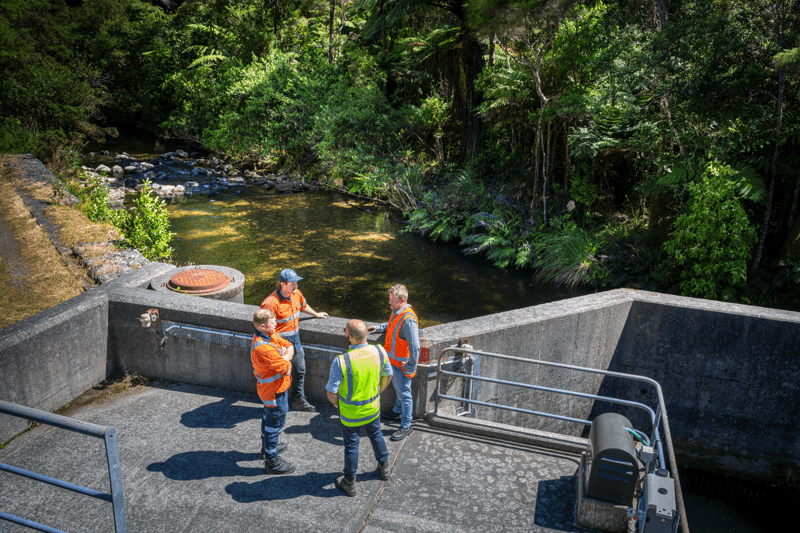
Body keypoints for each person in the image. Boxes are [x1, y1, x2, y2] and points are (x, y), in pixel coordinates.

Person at [326, 319, 393, 496]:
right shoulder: (380, 351)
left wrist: (337, 405)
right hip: (372, 408)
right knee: (376, 434)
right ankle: (384, 468)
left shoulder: (341, 361)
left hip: (350, 413)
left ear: (349, 335)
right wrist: (378, 392)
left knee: (351, 445)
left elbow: (331, 393)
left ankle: (350, 482)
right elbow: (388, 375)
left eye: (345, 331)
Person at [261, 268, 328, 412]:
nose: (296, 287)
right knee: (279, 375)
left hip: (295, 343)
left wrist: (315, 314)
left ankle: (298, 399)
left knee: (300, 370)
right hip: (279, 347)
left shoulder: (296, 294)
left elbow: (303, 306)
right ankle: (276, 404)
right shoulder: (271, 303)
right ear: (282, 284)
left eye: (296, 283)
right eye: (292, 284)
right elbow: (263, 328)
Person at [367, 284, 419, 441]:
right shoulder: (397, 312)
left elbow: (415, 347)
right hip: (393, 362)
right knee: (399, 390)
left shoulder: (409, 320)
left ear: (402, 301)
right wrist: (380, 327)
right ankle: (397, 411)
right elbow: (391, 325)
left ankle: (406, 426)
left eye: (392, 300)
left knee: (404, 394)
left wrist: (410, 366)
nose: (389, 303)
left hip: (401, 365)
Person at [251, 308, 296, 475]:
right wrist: (286, 359)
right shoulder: (264, 348)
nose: (277, 324)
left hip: (274, 389)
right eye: (273, 322)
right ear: (263, 326)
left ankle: (266, 448)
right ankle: (272, 461)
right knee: (274, 425)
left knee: (267, 418)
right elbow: (288, 368)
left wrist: (285, 356)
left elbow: (289, 346)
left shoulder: (270, 335)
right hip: (274, 392)